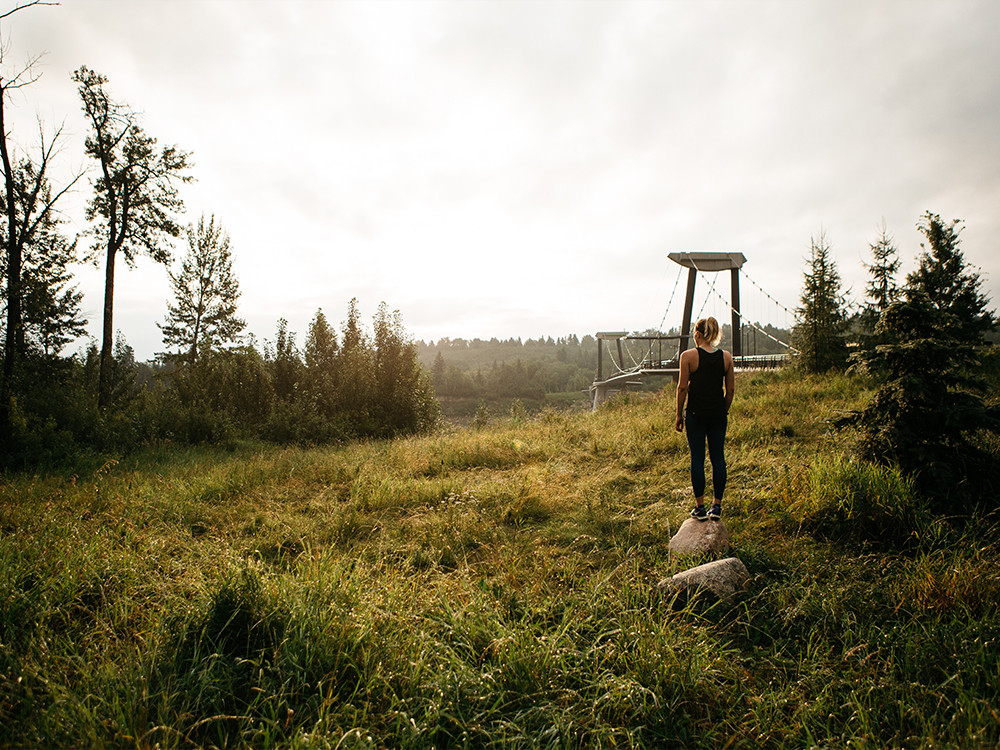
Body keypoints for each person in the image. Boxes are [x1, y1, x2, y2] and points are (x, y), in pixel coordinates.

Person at [674, 316, 735, 521]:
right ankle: (716, 507)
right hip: (718, 415)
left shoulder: (688, 356)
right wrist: (723, 410)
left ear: (698, 334)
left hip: (695, 415)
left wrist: (678, 415)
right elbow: (731, 390)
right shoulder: (726, 357)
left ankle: (700, 508)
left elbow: (682, 387)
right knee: (718, 458)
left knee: (697, 459)